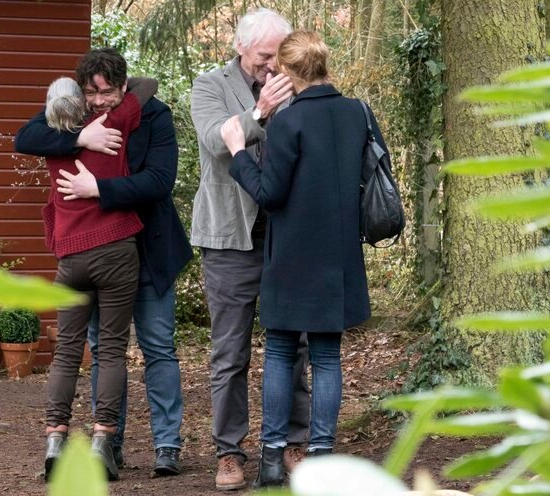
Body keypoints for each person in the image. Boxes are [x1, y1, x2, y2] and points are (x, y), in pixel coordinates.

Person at [14, 50, 192, 479]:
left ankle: (166, 445)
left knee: (158, 349)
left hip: (146, 247)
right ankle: (107, 443)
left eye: (107, 92)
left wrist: (99, 188)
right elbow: (26, 137)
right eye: (90, 92)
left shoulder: (153, 117)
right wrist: (81, 139)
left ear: (123, 87)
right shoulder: (72, 119)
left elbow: (159, 180)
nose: (98, 102)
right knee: (104, 350)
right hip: (107, 252)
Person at [220, 30, 382, 487]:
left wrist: (237, 152)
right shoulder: (357, 114)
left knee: (279, 351)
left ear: (288, 73)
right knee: (328, 357)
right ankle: (323, 459)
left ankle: (272, 460)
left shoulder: (288, 123)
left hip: (291, 254)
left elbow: (270, 194)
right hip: (340, 253)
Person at [189, 7, 310, 491]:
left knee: (296, 344)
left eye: (279, 55)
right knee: (230, 351)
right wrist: (261, 112)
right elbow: (216, 142)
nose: (272, 65)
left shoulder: (294, 80)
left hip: (286, 233)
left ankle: (294, 444)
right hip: (229, 237)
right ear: (241, 47)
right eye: (265, 56)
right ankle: (229, 452)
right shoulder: (209, 86)